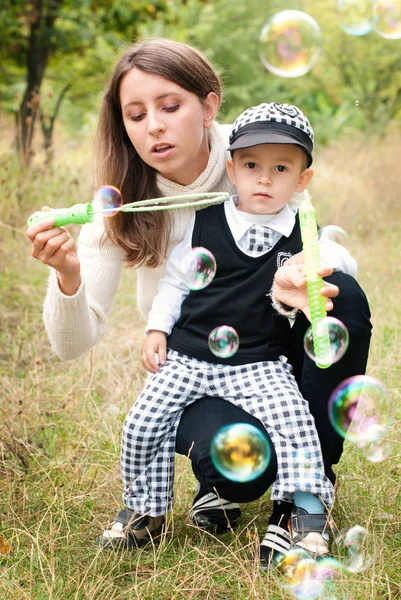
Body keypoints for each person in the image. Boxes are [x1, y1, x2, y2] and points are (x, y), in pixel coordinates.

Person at [25, 39, 371, 566]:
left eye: (170, 106)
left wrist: (305, 270)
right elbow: (73, 344)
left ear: (209, 106)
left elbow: (311, 230)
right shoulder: (123, 203)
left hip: (270, 351)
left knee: (340, 294)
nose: (154, 127)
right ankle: (204, 489)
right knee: (238, 461)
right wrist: (68, 274)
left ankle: (303, 498)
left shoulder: (260, 151)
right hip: (198, 353)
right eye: (135, 115)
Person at [97, 101, 358, 562]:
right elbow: (176, 283)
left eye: (281, 168)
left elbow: (345, 266)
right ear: (232, 171)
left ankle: (309, 513)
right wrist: (157, 330)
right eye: (252, 165)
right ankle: (143, 512)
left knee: (295, 423)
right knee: (141, 424)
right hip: (189, 356)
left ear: (302, 180)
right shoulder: (204, 220)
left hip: (258, 362)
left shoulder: (304, 231)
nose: (264, 178)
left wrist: (312, 266)